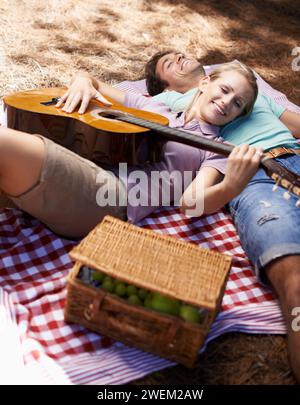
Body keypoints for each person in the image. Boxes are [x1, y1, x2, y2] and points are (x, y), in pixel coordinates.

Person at [144, 57, 300, 382]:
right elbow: (113, 97)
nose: (179, 56)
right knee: (295, 282)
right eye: (168, 63)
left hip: (294, 154)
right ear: (168, 84)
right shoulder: (174, 101)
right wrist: (85, 81)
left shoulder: (250, 89)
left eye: (237, 100)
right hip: (256, 180)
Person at [0, 62, 260, 241]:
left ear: (239, 114)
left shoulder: (216, 150)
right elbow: (95, 83)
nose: (226, 102)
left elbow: (190, 204)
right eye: (224, 90)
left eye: (238, 103)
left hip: (108, 197)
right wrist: (82, 82)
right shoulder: (154, 109)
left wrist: (231, 187)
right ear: (204, 83)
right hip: (81, 164)